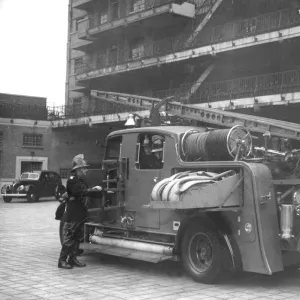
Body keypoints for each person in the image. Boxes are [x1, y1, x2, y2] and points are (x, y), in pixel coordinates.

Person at [58, 154, 102, 269]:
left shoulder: (80, 180)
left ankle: (72, 259)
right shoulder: (72, 180)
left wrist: (96, 192)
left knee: (77, 236)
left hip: (80, 212)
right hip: (73, 212)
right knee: (69, 237)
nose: (85, 170)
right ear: (77, 169)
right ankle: (62, 260)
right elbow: (80, 192)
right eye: (83, 168)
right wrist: (94, 190)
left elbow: (85, 192)